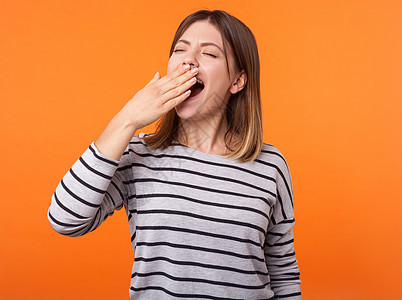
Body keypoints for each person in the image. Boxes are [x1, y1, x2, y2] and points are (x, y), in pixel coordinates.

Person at [47, 9, 302, 299]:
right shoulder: (141, 154)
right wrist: (128, 118)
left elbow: (283, 272)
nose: (188, 60)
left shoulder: (270, 165)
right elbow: (65, 219)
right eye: (180, 49)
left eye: (210, 54)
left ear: (237, 81)